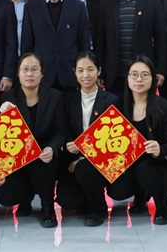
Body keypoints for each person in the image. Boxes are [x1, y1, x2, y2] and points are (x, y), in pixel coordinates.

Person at [0, 53, 65, 228]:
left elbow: (60, 132)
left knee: (44, 164)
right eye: (25, 70)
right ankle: (25, 199)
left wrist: (51, 148)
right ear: (18, 73)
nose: (29, 74)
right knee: (5, 196)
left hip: (43, 154)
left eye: (34, 70)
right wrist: (2, 117)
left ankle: (47, 205)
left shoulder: (55, 97)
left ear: (42, 73)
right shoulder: (7, 98)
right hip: (18, 156)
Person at [55, 51, 119, 226]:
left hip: (102, 159)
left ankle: (96, 209)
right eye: (80, 70)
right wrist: (69, 143)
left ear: (99, 71)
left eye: (90, 69)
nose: (85, 75)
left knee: (85, 168)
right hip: (72, 158)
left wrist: (85, 157)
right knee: (67, 201)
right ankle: (85, 197)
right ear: (74, 72)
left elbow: (113, 140)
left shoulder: (112, 101)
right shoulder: (67, 101)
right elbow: (63, 130)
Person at [95, 0, 167, 95]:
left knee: (142, 108)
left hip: (143, 73)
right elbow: (100, 42)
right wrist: (100, 71)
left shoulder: (152, 3)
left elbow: (161, 40)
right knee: (115, 108)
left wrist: (160, 70)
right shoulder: (105, 5)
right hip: (114, 74)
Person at [119, 55, 167, 225]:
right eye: (134, 74)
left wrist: (160, 149)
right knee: (117, 190)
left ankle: (161, 205)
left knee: (145, 169)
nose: (139, 79)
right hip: (129, 163)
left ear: (153, 79)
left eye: (145, 75)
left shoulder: (165, 106)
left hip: (156, 163)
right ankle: (140, 195)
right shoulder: (118, 106)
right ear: (127, 78)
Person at [22, 0, 90, 93]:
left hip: (70, 73)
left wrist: (82, 71)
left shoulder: (78, 6)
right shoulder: (31, 7)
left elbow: (84, 42)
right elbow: (27, 44)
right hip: (42, 73)